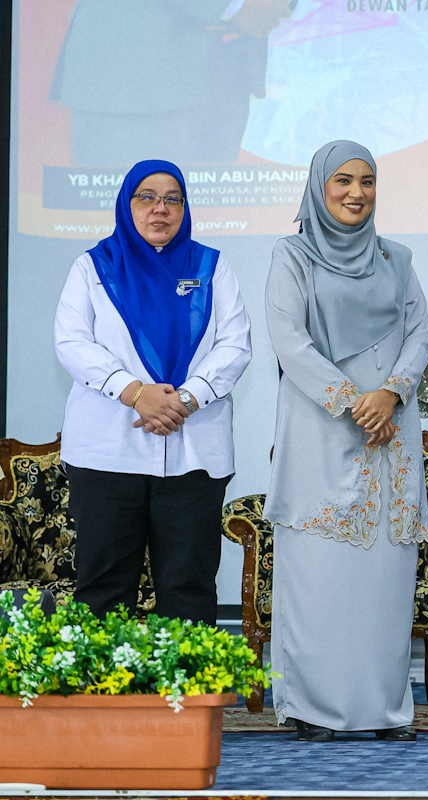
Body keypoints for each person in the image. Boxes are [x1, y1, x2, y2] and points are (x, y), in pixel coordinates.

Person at [264, 141, 428, 743]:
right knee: (319, 578)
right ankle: (313, 708)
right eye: (343, 181)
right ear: (319, 186)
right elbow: (288, 338)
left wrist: (390, 393)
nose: (356, 193)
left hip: (390, 431)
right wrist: (350, 400)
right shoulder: (293, 255)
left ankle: (385, 710)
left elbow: (420, 331)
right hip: (320, 430)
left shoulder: (396, 259)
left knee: (383, 582)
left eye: (367, 181)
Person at [54, 159, 252, 625]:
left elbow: (236, 344)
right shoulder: (92, 266)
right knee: (104, 588)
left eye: (172, 199)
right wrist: (134, 391)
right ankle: (103, 698)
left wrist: (185, 399)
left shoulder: (211, 265)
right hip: (107, 453)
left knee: (189, 585)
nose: (159, 209)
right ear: (126, 204)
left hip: (194, 453)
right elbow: (72, 342)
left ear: (184, 208)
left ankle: (189, 697)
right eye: (147, 197)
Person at [49, 0, 295, 165]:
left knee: (212, 230)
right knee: (132, 229)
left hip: (229, 66)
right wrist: (235, 5)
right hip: (136, 72)